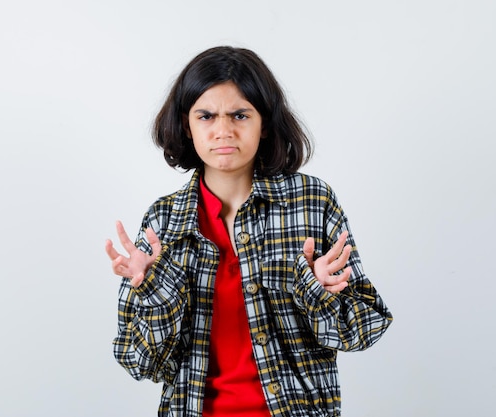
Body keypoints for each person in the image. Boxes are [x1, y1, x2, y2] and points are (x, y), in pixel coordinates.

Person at [105, 46, 393, 417]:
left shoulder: (311, 201)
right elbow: (140, 364)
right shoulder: (164, 221)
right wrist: (155, 289)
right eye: (206, 116)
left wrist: (316, 290)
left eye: (240, 115)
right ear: (186, 125)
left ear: (265, 123)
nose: (223, 130)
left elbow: (363, 330)